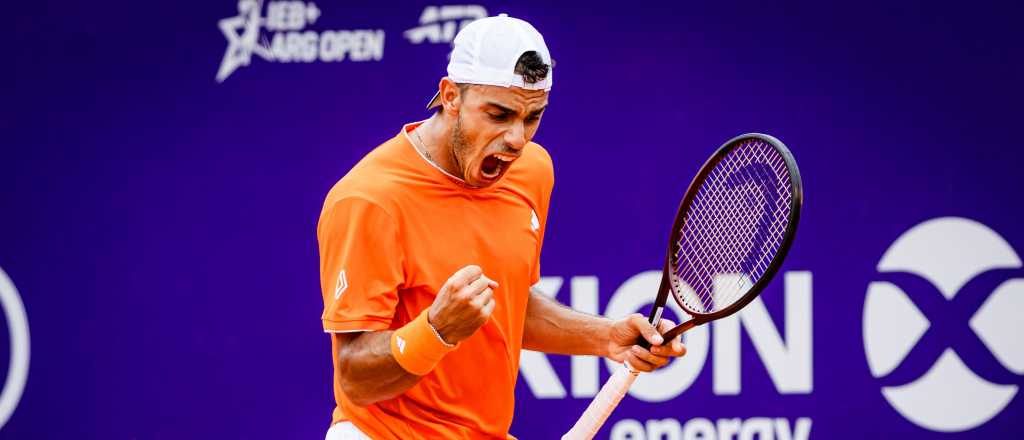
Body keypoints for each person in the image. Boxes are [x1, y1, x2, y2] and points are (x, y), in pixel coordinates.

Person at [317, 14, 687, 440]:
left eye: (533, 117)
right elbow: (355, 379)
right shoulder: (369, 200)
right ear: (450, 96)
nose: (517, 138)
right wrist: (435, 331)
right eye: (498, 114)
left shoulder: (531, 170)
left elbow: (509, 305)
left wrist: (605, 337)